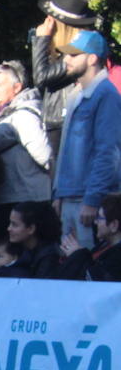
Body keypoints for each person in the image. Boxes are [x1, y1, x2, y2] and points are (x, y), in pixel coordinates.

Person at [51, 30, 121, 249]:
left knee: (85, 268)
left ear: (92, 59)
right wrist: (58, 193)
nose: (66, 60)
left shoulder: (106, 95)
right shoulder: (76, 94)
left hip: (87, 202)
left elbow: (108, 152)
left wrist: (92, 200)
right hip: (70, 198)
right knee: (71, 267)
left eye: (73, 55)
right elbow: (66, 151)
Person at [0, 61, 52, 228]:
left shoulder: (24, 116)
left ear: (17, 88)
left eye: (0, 84)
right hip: (12, 198)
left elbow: (46, 157)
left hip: (29, 200)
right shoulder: (0, 117)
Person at [32, 0, 98, 159]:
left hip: (65, 125)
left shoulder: (79, 52)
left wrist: (41, 40)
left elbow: (41, 77)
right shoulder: (67, 52)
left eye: (49, 20)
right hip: (59, 124)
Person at [0, 201, 65, 279]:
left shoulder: (49, 257)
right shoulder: (20, 250)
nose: (9, 229)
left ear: (31, 229)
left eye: (15, 225)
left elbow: (38, 290)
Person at [61, 192, 121, 280]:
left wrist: (77, 255)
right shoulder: (104, 245)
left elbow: (95, 280)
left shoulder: (117, 256)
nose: (95, 222)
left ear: (114, 225)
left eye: (100, 218)